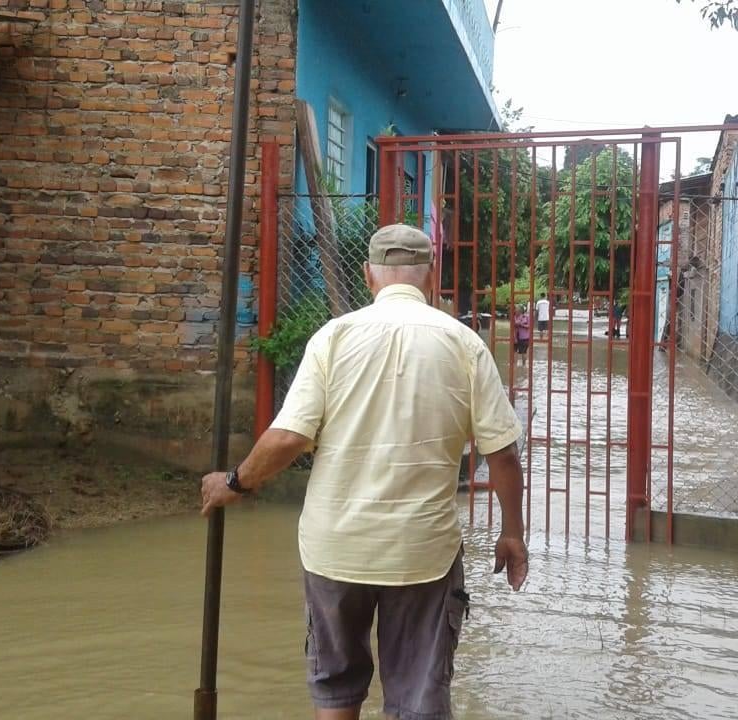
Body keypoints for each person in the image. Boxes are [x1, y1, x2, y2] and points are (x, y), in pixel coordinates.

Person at [199, 224, 528, 720]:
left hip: (336, 549)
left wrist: (234, 483)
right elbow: (502, 453)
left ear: (368, 275)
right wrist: (513, 533)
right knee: (418, 698)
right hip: (423, 554)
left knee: (336, 689)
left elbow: (288, 437)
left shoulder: (334, 337)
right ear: (430, 277)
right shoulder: (464, 344)